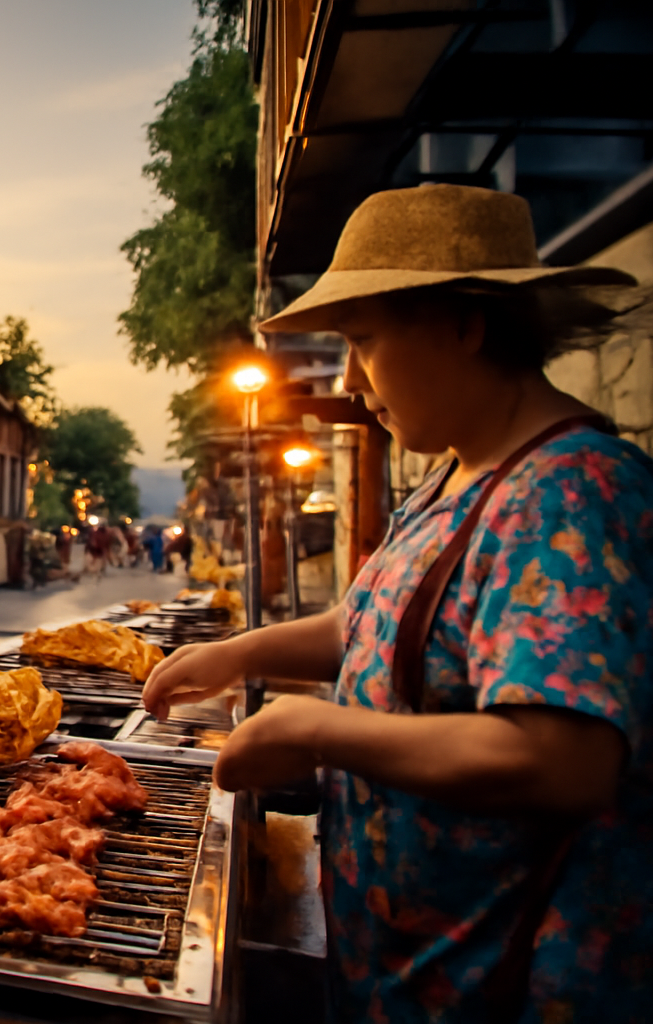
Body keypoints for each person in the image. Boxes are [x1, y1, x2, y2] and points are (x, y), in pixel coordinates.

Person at [141, 184, 648, 1023]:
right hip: (400, 964)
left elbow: (563, 759)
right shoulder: (454, 473)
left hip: (509, 979)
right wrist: (242, 653)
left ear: (466, 324)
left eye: (365, 341)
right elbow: (370, 624)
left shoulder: (571, 492)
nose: (350, 378)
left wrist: (315, 730)